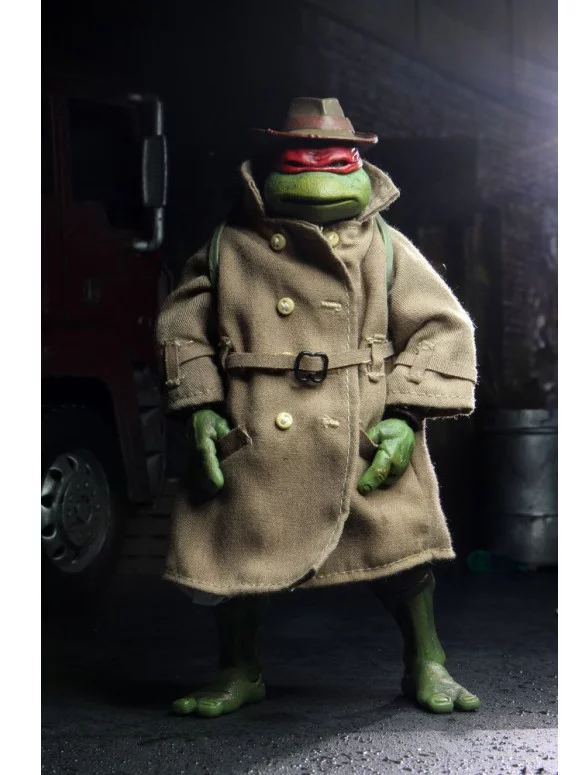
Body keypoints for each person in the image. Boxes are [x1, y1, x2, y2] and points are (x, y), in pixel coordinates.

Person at [156, 97, 480, 717]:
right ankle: (239, 668)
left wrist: (405, 415)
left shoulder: (383, 246)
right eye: (303, 158)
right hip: (256, 422)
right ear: (274, 163)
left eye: (336, 160)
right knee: (236, 549)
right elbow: (182, 330)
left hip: (360, 425)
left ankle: (428, 659)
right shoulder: (231, 245)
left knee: (399, 548)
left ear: (358, 164)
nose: (320, 171)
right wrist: (200, 405)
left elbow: (444, 327)